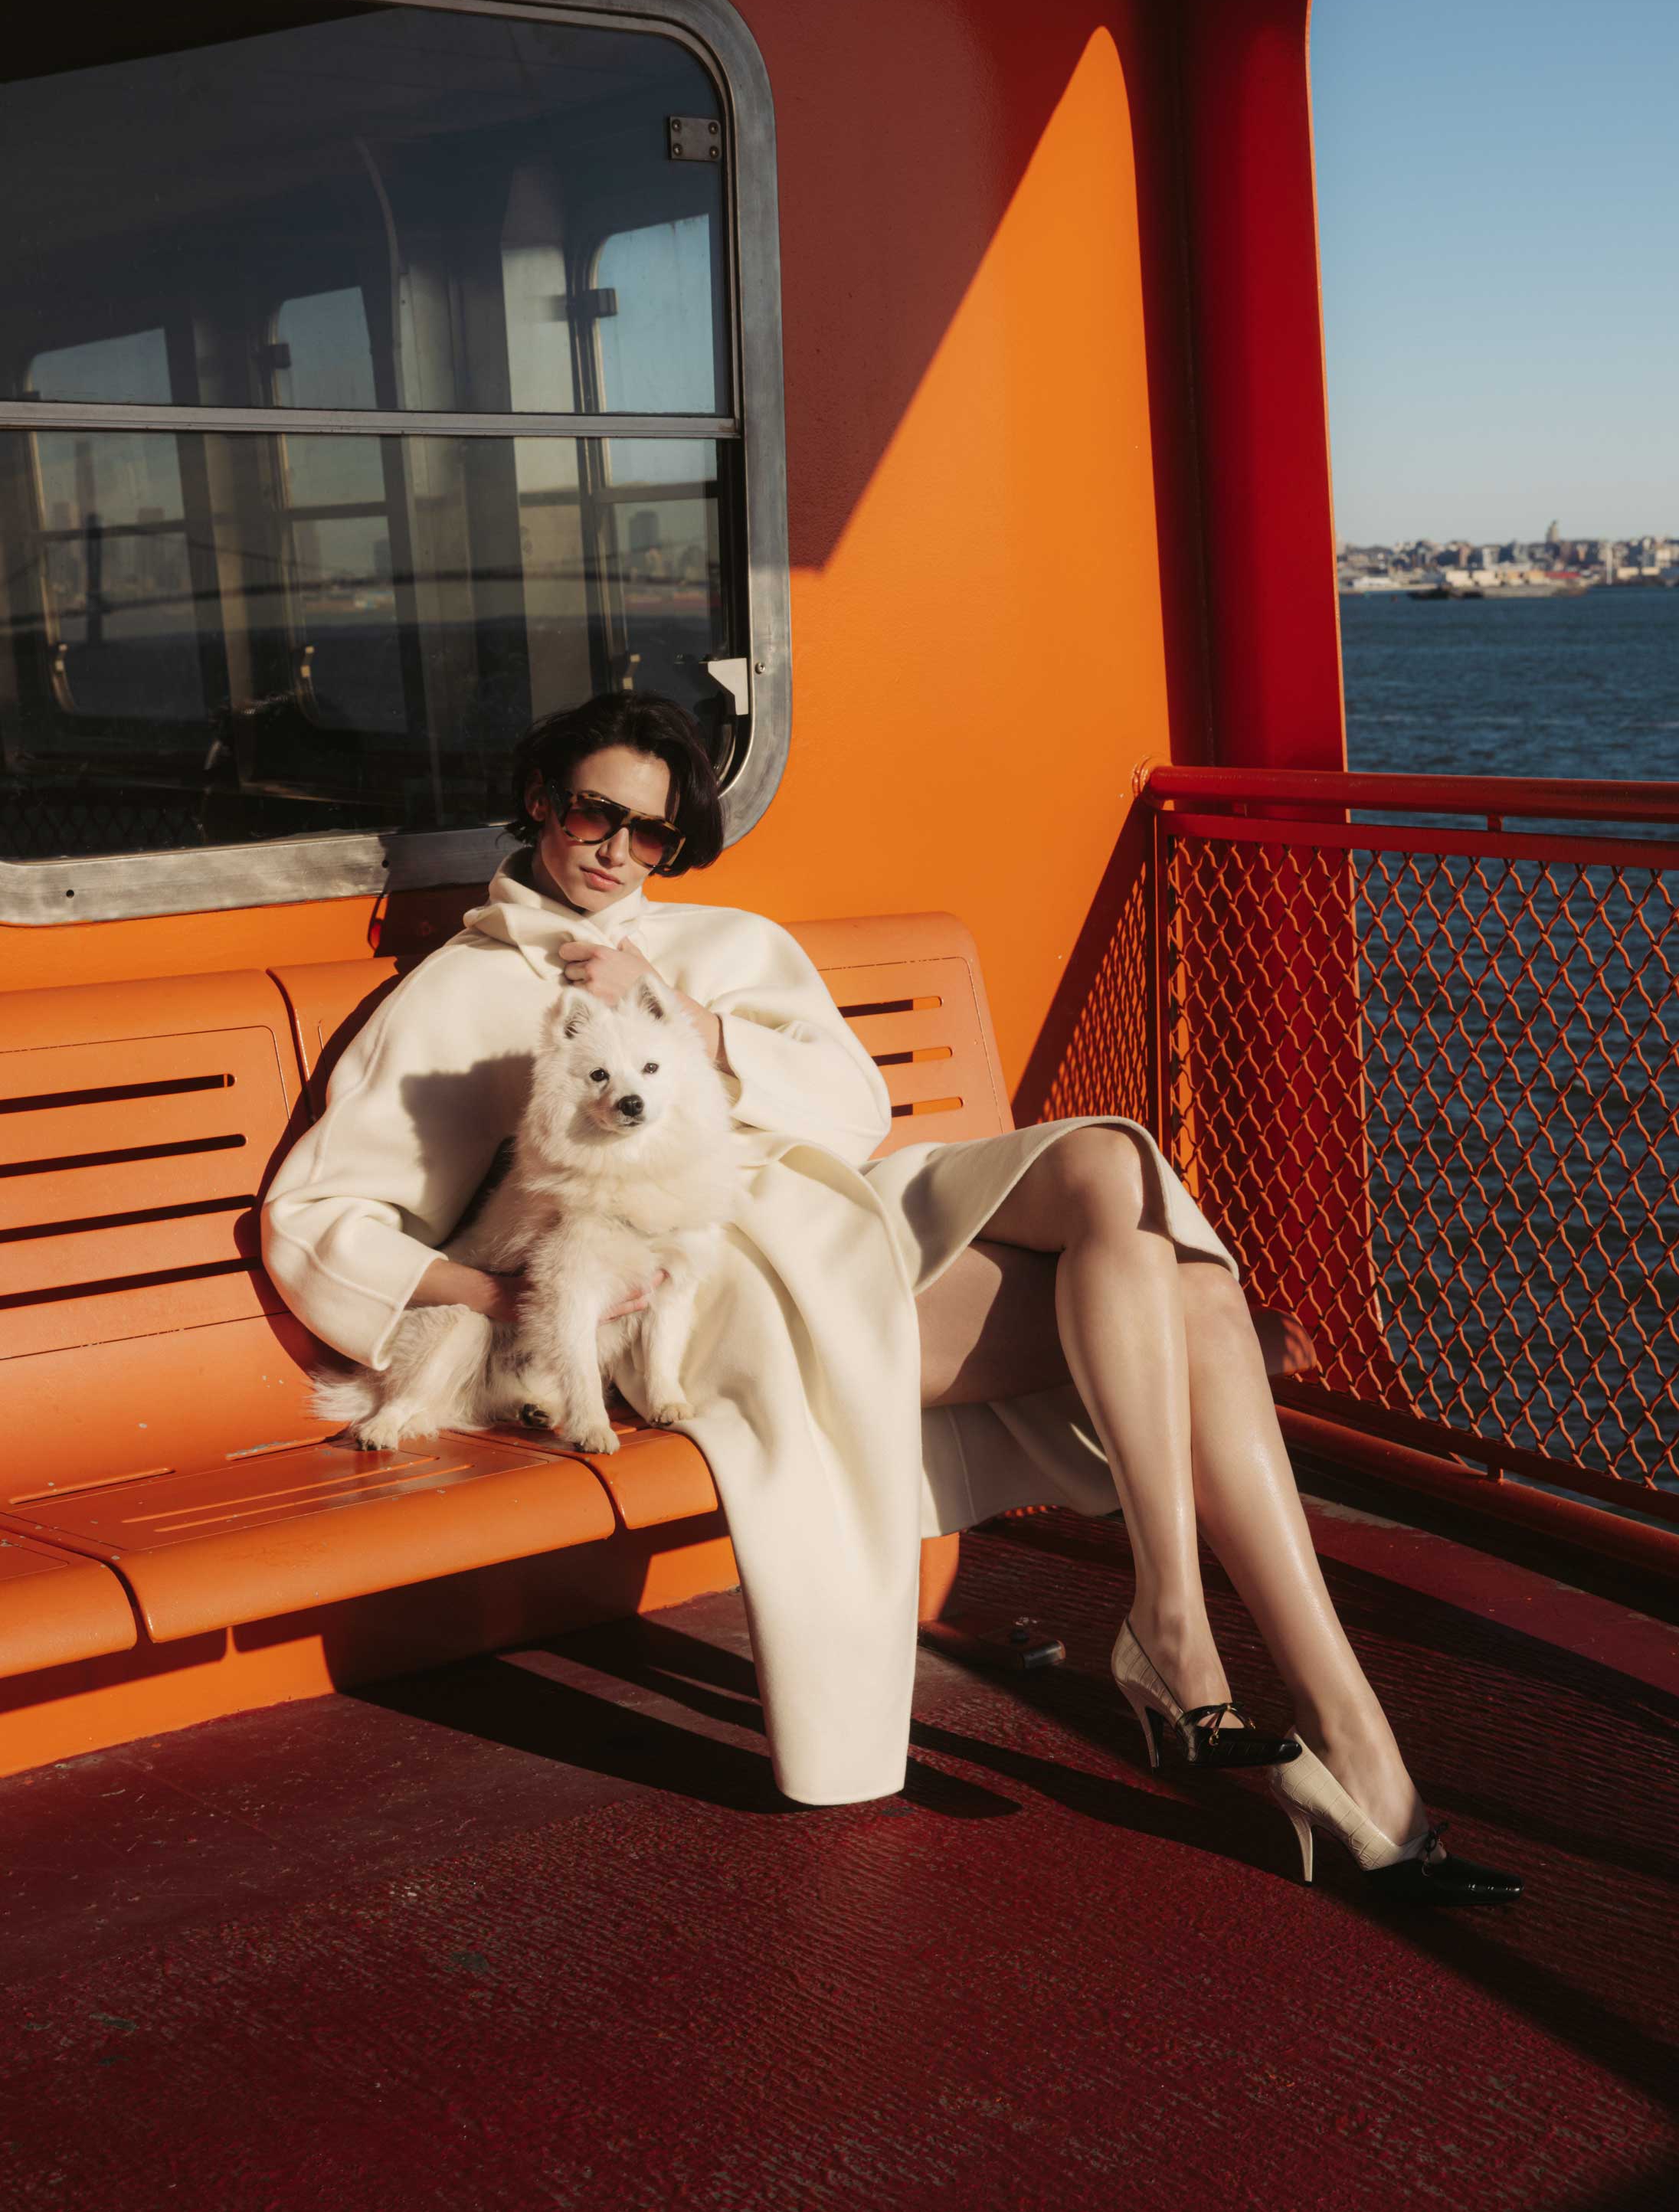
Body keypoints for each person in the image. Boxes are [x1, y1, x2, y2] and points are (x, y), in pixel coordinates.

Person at [263, 693, 1518, 1906]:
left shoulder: (719, 947)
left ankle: (1181, 1624)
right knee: (1197, 1306)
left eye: (650, 831)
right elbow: (314, 1220)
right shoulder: (460, 994)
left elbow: (857, 1110)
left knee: (1115, 1164)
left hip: (847, 1209)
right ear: (541, 801)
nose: (618, 851)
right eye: (596, 815)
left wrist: (690, 1020)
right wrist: (507, 1291)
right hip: (719, 1284)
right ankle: (1347, 1740)